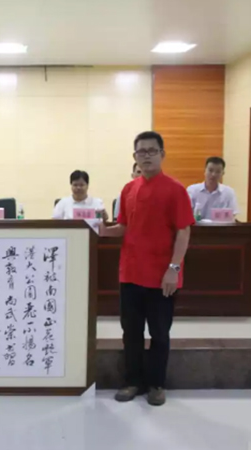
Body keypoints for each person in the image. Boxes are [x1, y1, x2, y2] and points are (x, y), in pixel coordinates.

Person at [100, 131, 195, 406]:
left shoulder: (175, 189)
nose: (147, 156)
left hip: (162, 276)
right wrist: (100, 230)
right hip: (130, 273)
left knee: (159, 334)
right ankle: (132, 381)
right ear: (135, 157)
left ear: (162, 154)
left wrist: (174, 268)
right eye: (141, 152)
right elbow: (124, 227)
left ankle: (156, 384)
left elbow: (184, 231)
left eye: (152, 151)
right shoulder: (128, 189)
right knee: (131, 333)